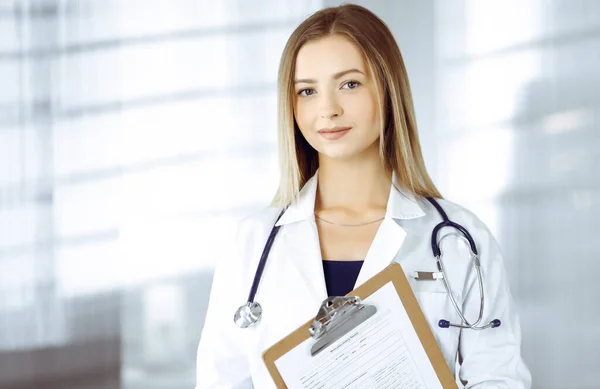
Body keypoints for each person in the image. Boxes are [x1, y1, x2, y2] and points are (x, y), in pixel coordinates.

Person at [195, 4, 531, 388]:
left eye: (350, 84)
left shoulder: (459, 239)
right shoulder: (253, 243)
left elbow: (498, 378)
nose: (328, 109)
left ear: (387, 88)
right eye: (307, 91)